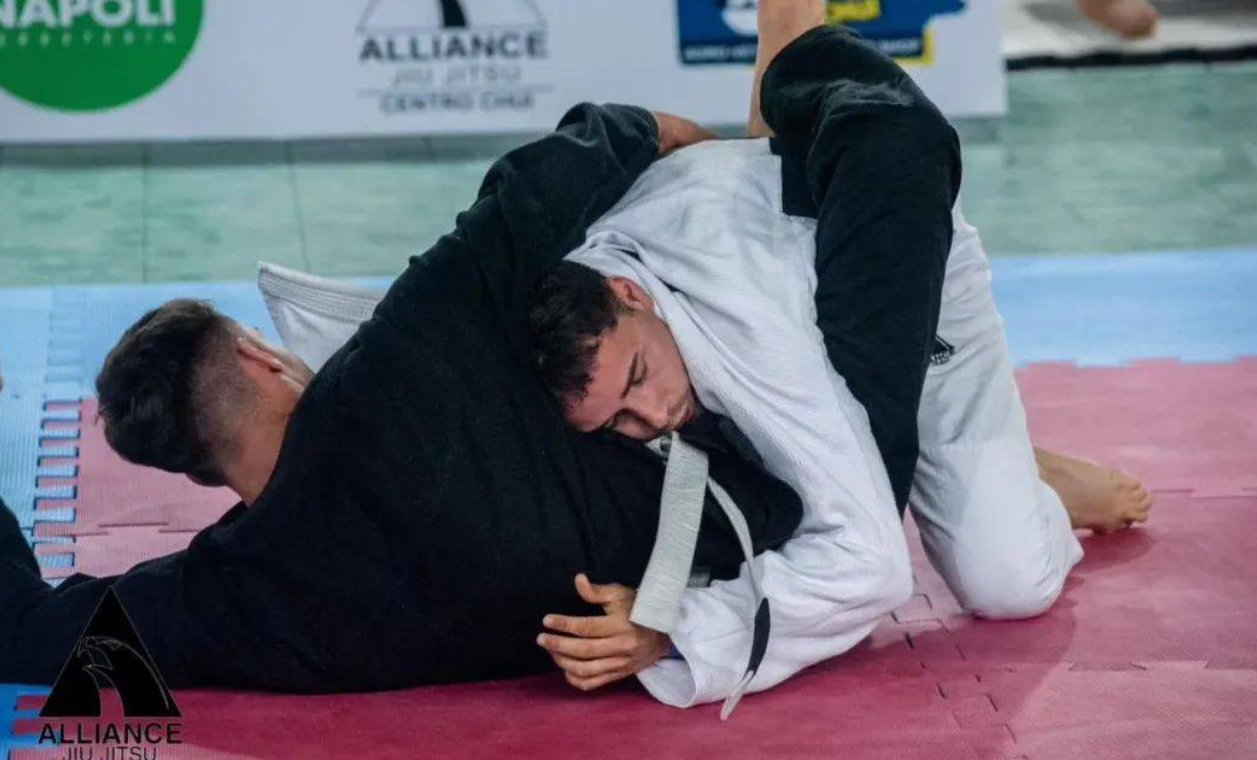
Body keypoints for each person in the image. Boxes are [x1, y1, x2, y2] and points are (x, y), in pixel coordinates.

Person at [0, 107, 809, 691]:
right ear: (259, 357)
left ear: (196, 471)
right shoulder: (404, 348)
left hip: (750, 545)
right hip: (770, 465)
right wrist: (706, 164)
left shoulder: (235, 597)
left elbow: (21, 634)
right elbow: (583, 152)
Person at [528, 1, 1151, 709]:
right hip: (768, 229)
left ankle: (1035, 485)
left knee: (1007, 583)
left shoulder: (766, 351)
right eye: (616, 419)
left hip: (903, 278)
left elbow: (870, 567)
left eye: (640, 378)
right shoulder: (575, 282)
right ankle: (785, 43)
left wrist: (673, 629)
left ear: (629, 294)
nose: (655, 414)